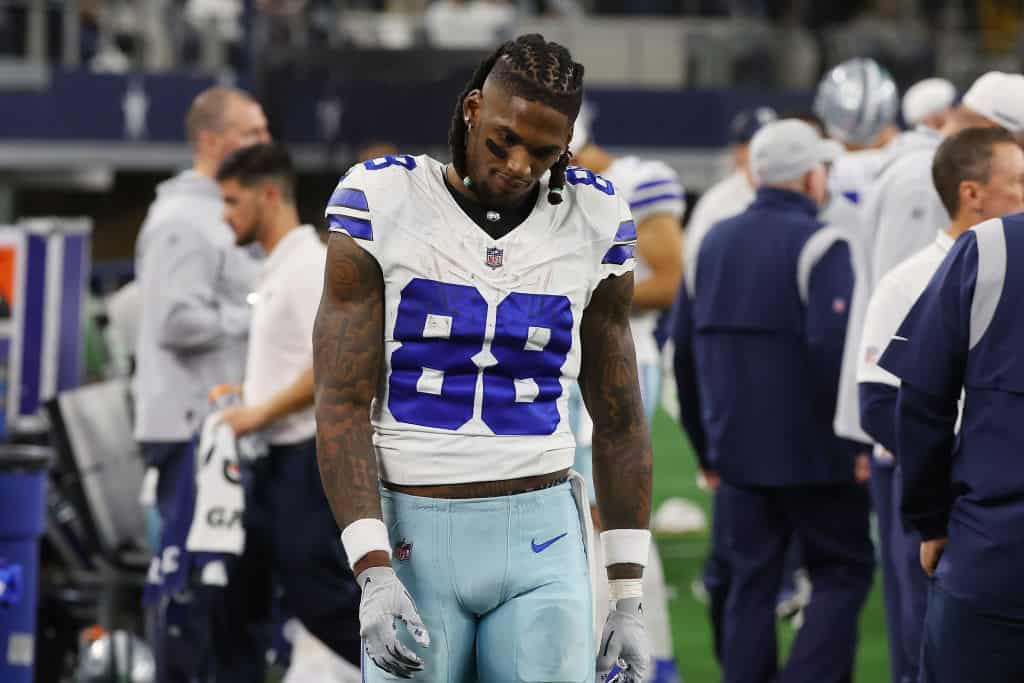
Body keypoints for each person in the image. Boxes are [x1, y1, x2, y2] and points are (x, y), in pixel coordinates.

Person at [314, 34, 653, 682]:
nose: (521, 164)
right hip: (415, 528)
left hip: (543, 528)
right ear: (472, 109)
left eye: (544, 150)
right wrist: (371, 567)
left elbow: (620, 416)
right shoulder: (384, 201)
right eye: (504, 141)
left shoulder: (594, 215)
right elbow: (340, 399)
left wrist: (628, 595)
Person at [674, 119, 874, 683]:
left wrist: (704, 448)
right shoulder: (823, 243)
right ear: (814, 177)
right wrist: (857, 438)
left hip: (736, 454)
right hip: (819, 459)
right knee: (841, 572)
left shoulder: (711, 240)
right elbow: (834, 352)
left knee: (750, 583)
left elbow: (685, 351)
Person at [857, 126, 1024, 683]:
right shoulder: (944, 266)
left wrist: (932, 517)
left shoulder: (992, 250)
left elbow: (920, 402)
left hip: (990, 534)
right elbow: (885, 401)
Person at [134, 85, 270, 683]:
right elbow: (172, 319)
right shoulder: (182, 221)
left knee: (230, 602)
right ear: (212, 141)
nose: (266, 144)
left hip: (220, 434)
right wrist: (259, 309)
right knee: (195, 597)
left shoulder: (221, 211)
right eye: (252, 133)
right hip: (192, 434)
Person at [214, 143, 363, 680]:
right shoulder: (278, 267)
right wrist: (248, 395)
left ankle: (412, 673)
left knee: (321, 599)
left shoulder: (306, 265)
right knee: (237, 596)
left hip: (305, 457)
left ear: (269, 194)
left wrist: (260, 413)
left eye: (232, 201)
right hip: (273, 460)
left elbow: (335, 364)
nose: (224, 214)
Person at [569, 104, 683, 683]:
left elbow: (667, 278)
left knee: (608, 513)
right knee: (575, 518)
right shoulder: (542, 191)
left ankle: (635, 662)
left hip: (621, 352)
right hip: (565, 361)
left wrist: (573, 296)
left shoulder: (637, 179)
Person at [683, 106, 776, 279]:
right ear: (738, 151)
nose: (767, 151)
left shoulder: (795, 193)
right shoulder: (717, 200)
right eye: (756, 143)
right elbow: (692, 263)